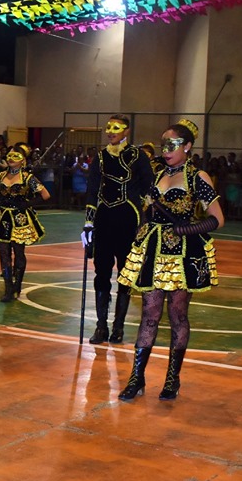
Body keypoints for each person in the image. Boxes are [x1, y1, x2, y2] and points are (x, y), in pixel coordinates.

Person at [116, 120, 223, 401]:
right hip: (154, 250)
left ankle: (172, 379)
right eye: (163, 144)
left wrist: (188, 228)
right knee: (149, 314)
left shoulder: (198, 177)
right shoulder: (157, 174)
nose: (166, 150)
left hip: (182, 254)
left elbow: (218, 219)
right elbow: (148, 211)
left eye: (172, 145)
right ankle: (136, 378)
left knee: (177, 315)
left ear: (187, 147)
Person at [81, 115, 154, 345]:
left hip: (128, 219)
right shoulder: (100, 157)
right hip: (104, 219)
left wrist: (146, 220)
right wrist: (89, 223)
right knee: (101, 272)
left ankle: (118, 327)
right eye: (108, 127)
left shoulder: (137, 155)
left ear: (126, 131)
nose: (111, 131)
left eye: (116, 128)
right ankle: (101, 326)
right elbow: (92, 190)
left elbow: (149, 187)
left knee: (126, 273)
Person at [0, 144, 50, 302]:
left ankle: (17, 284)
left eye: (16, 157)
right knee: (4, 254)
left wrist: (28, 203)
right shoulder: (1, 176)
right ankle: (8, 288)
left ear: (23, 161)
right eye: (9, 156)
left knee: (19, 253)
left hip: (20, 219)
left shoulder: (28, 177)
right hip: (2, 218)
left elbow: (45, 195)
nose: (11, 159)